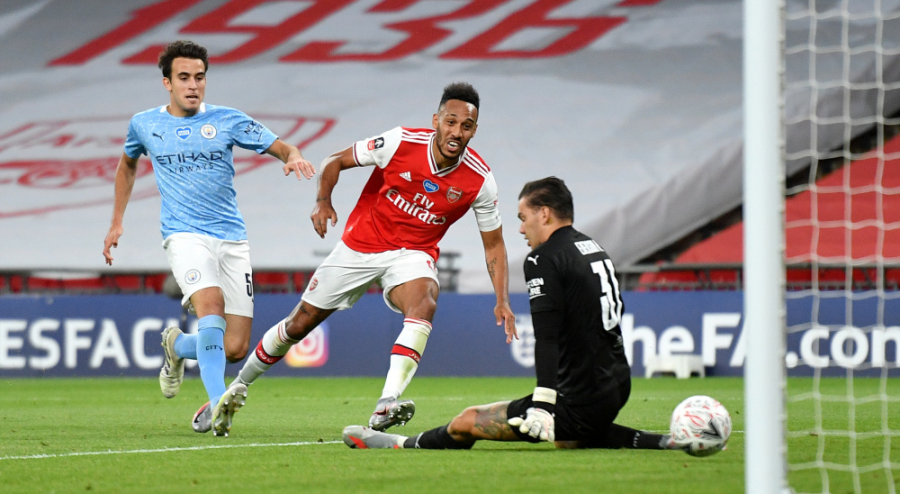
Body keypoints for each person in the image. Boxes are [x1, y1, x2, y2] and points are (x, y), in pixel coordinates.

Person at [230, 82, 518, 432]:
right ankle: (239, 385)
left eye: (466, 126)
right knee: (299, 324)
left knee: (425, 301)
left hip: (412, 254)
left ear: (474, 131)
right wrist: (323, 200)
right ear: (436, 120)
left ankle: (386, 404)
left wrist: (501, 299)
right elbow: (334, 160)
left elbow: (494, 245)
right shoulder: (400, 142)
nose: (456, 132)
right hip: (361, 244)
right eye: (450, 121)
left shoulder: (479, 180)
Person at [341, 177, 681, 451]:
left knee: (466, 421)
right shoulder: (592, 248)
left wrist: (544, 405)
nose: (520, 229)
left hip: (577, 395)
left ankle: (401, 443)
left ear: (544, 214)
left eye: (523, 218)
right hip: (615, 387)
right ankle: (664, 441)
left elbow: (546, 337)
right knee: (575, 434)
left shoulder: (543, 259)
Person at [101, 40, 316, 437]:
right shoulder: (145, 124)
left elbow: (283, 146)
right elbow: (127, 165)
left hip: (231, 239)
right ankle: (219, 404)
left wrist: (294, 157)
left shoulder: (228, 120)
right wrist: (117, 222)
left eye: (199, 77)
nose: (193, 85)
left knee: (234, 347)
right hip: (183, 235)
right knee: (210, 306)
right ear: (166, 82)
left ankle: (178, 346)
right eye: (184, 77)